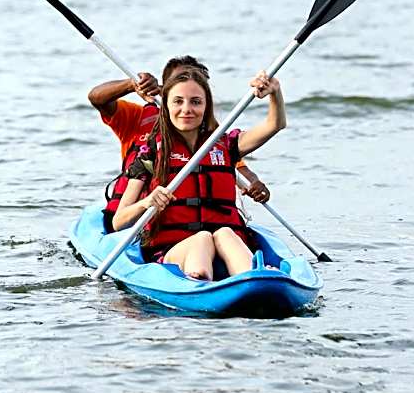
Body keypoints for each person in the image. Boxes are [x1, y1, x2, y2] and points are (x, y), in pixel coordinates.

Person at [112, 68, 286, 280]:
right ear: (165, 105)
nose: (187, 109)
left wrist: (275, 93)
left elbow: (274, 125)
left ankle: (254, 279)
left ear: (206, 107)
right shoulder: (149, 153)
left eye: (196, 102)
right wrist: (146, 202)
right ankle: (199, 278)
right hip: (171, 250)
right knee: (202, 238)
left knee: (224, 233)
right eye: (178, 101)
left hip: (227, 242)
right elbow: (119, 222)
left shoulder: (226, 144)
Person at [87, 56, 271, 233]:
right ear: (165, 89)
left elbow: (237, 169)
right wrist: (131, 85)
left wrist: (254, 183)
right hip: (140, 216)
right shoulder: (136, 118)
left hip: (193, 224)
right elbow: (97, 98)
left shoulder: (211, 138)